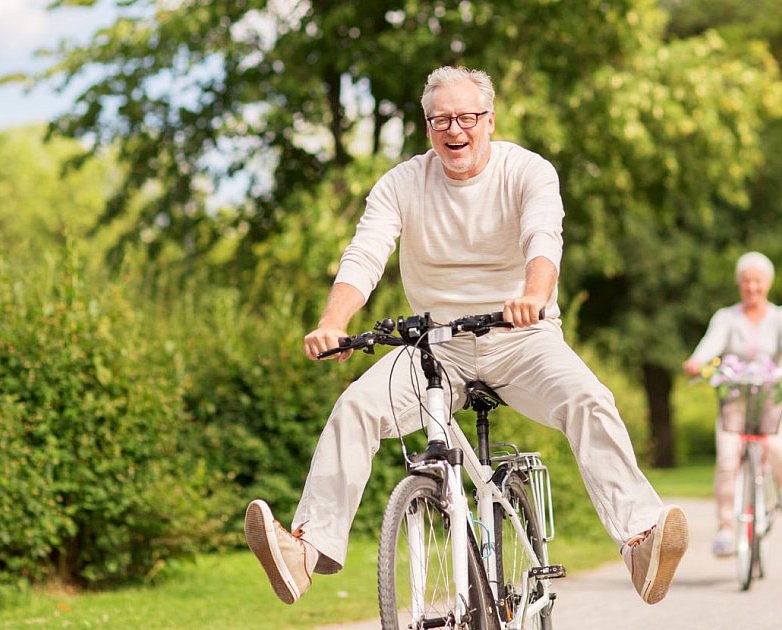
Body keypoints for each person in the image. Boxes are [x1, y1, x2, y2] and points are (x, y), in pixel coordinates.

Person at [243, 66, 688, 607]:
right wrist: (332, 322)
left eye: (467, 118)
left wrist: (533, 295)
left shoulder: (527, 171)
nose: (454, 130)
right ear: (427, 126)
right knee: (355, 407)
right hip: (436, 346)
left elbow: (543, 238)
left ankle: (640, 540)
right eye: (441, 120)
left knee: (589, 400)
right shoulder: (402, 183)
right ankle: (306, 550)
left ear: (489, 120)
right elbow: (365, 254)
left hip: (522, 338)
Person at [681, 251, 782, 558]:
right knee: (727, 459)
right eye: (746, 281)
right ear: (739, 284)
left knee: (775, 444)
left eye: (758, 281)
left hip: (773, 399)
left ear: (768, 283)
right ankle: (726, 530)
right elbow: (710, 345)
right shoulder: (726, 318)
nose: (752, 287)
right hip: (736, 400)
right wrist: (696, 362)